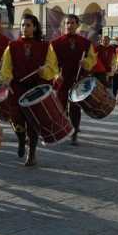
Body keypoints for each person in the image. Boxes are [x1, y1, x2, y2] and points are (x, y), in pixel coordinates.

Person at [0, 13, 58, 167]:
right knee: (16, 119)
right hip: (17, 88)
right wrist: (6, 81)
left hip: (36, 88)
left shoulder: (46, 46)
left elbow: (52, 67)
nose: (25, 28)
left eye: (28, 25)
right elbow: (6, 67)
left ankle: (31, 154)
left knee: (32, 122)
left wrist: (44, 71)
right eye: (23, 25)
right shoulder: (12, 46)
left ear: (35, 27)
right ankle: (20, 139)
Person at [51, 14, 97, 145]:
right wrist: (55, 75)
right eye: (67, 23)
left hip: (78, 80)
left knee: (75, 108)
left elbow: (93, 59)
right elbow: (51, 63)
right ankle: (63, 130)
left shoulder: (86, 43)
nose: (69, 25)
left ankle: (75, 132)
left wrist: (86, 62)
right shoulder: (55, 43)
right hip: (62, 80)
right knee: (60, 107)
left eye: (72, 23)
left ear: (77, 25)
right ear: (64, 25)